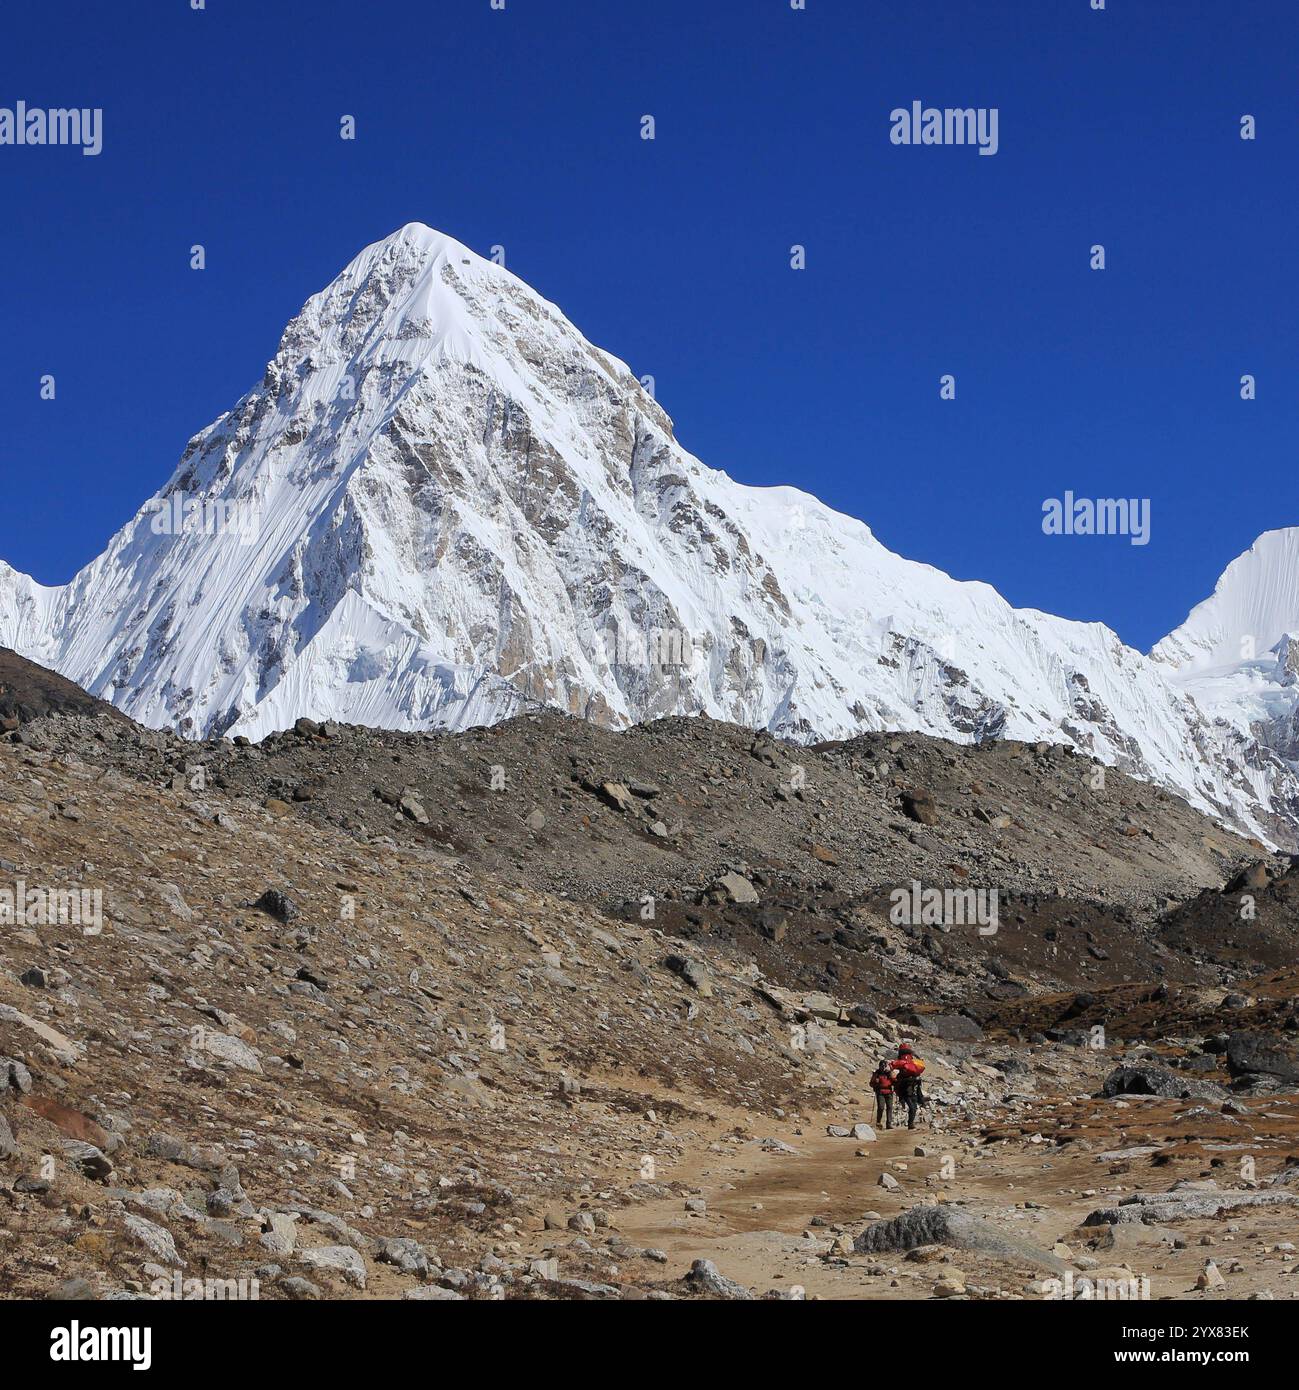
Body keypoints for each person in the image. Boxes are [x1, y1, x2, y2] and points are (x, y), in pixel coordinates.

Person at [892, 1042, 926, 1129]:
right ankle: (911, 1123)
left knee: (912, 1106)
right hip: (912, 1088)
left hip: (905, 1089)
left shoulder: (900, 1062)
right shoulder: (912, 1062)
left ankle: (910, 1123)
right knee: (913, 1107)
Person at [869, 1060, 896, 1129]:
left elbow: (894, 1081)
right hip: (880, 1092)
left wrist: (892, 1074)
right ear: (880, 1066)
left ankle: (888, 1124)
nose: (883, 1067)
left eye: (884, 1066)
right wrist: (875, 1082)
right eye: (882, 1066)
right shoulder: (876, 1074)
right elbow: (871, 1083)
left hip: (889, 1092)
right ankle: (878, 1122)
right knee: (881, 1107)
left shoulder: (889, 1073)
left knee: (889, 1107)